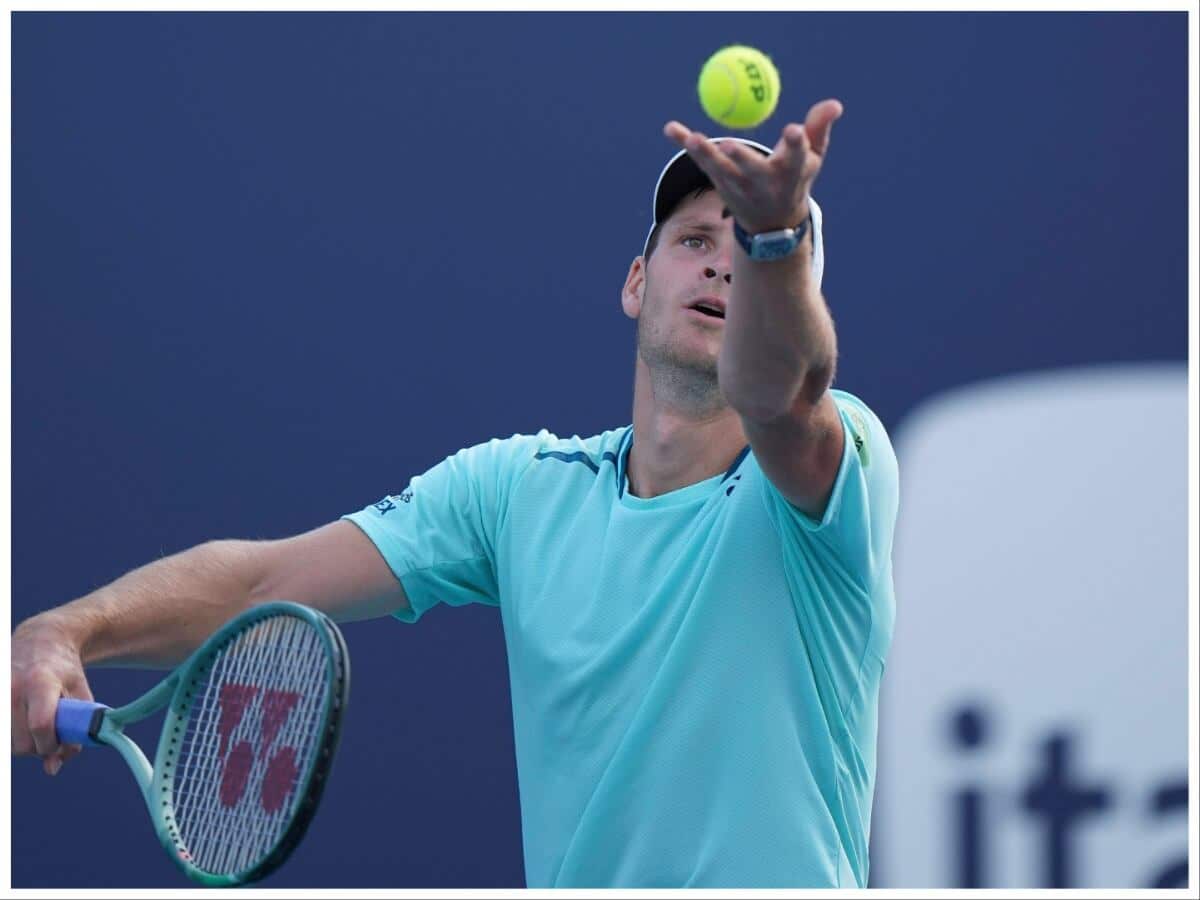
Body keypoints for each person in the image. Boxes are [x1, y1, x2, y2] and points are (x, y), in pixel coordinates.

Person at [11, 100, 899, 888]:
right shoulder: (519, 493)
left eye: (745, 247)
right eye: (695, 242)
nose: (721, 266)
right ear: (637, 284)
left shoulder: (832, 466)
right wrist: (64, 631)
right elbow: (259, 586)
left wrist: (775, 242)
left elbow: (779, 391)